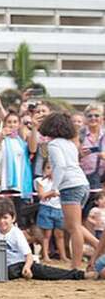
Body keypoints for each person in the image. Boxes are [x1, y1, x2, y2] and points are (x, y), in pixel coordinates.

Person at [0, 198, 93, 281]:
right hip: (2, 267)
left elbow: (28, 256)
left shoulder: (16, 233)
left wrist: (27, 268)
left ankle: (80, 274)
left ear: (13, 218)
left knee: (48, 272)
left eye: (5, 218)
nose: (2, 222)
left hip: (21, 264)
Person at [40, 112, 90, 270]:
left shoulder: (54, 144)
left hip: (70, 186)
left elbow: (61, 166)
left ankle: (75, 266)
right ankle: (98, 247)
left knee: (73, 228)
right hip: (82, 183)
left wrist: (54, 188)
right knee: (73, 225)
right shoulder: (70, 144)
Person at [0, 111, 36, 198]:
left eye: (15, 122)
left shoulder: (21, 142)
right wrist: (0, 140)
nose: (12, 125)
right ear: (5, 124)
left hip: (19, 185)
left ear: (19, 125)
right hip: (4, 184)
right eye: (9, 122)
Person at [35, 161, 68, 263]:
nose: (51, 171)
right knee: (46, 235)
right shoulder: (40, 181)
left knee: (60, 235)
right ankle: (45, 255)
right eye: (48, 167)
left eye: (54, 168)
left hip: (59, 209)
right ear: (43, 170)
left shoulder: (62, 182)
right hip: (46, 209)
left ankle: (63, 256)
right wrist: (52, 193)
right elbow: (41, 196)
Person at [79, 103, 104, 190]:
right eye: (90, 116)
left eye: (96, 115)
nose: (93, 118)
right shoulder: (79, 134)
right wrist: (80, 154)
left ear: (102, 118)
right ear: (86, 119)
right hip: (82, 177)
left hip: (102, 178)